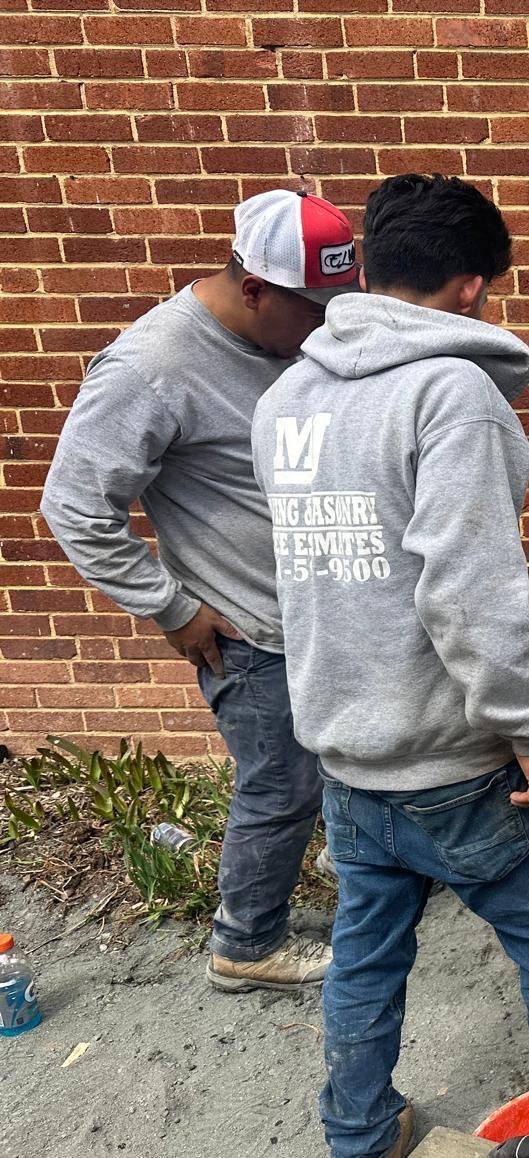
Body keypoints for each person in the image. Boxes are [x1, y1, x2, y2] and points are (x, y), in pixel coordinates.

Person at [251, 173, 529, 1158]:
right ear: (471, 290)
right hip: (457, 760)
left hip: (349, 754)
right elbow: (468, 592)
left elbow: (319, 572)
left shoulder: (287, 400)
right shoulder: (452, 395)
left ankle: (360, 1147)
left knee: (365, 959)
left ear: (368, 270)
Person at [41, 190, 360, 993]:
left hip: (320, 611)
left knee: (339, 757)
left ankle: (343, 858)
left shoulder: (283, 338)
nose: (324, 326)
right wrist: (171, 607)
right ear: (253, 288)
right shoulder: (151, 368)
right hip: (250, 630)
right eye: (311, 308)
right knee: (278, 788)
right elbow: (74, 505)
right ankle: (246, 945)